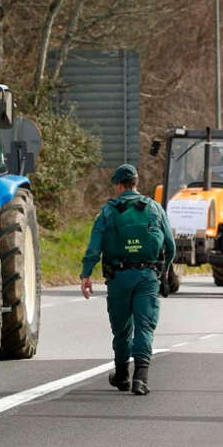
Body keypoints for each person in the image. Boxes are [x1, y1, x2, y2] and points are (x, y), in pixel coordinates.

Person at [80, 164, 175, 395]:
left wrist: (86, 274)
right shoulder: (154, 208)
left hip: (118, 277)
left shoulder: (107, 211)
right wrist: (164, 271)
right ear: (136, 183)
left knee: (122, 328)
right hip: (147, 276)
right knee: (145, 326)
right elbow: (170, 245)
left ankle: (122, 375)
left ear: (120, 185)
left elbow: (95, 246)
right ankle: (141, 378)